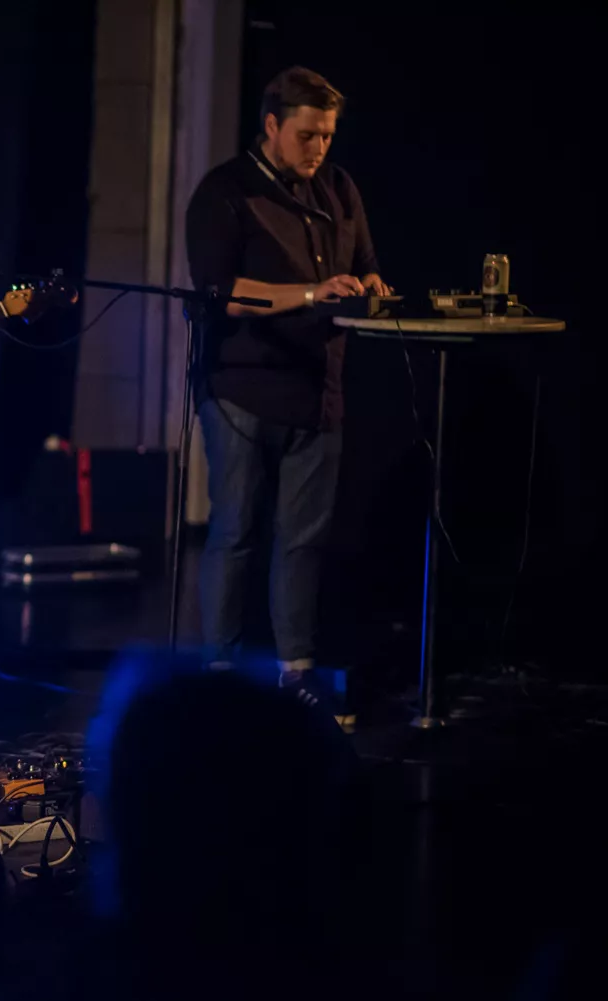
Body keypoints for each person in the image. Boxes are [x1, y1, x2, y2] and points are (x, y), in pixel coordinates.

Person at [185, 66, 390, 694]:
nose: (318, 147)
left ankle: (295, 671)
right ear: (272, 125)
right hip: (242, 389)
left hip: (317, 388)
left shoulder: (339, 188)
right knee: (236, 530)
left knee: (303, 538)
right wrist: (309, 292)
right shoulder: (226, 191)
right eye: (307, 135)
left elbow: (365, 264)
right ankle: (220, 671)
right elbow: (221, 293)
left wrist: (372, 286)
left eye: (327, 136)